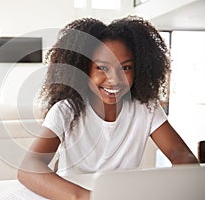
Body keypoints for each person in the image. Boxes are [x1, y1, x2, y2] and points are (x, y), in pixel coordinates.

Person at [17, 16, 199, 200]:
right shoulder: (66, 110)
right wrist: (88, 197)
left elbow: (181, 154)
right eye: (102, 68)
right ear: (83, 69)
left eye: (125, 68)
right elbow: (29, 166)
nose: (114, 79)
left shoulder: (146, 108)